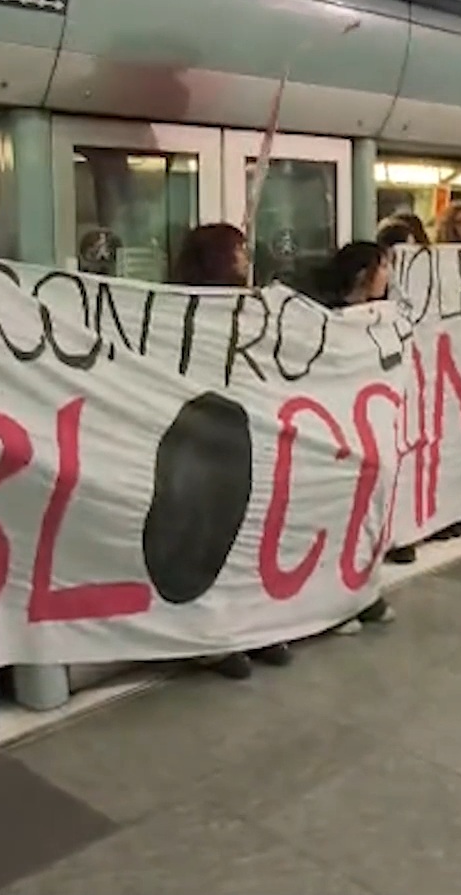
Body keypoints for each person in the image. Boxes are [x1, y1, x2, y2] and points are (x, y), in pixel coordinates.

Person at [168, 224, 294, 678]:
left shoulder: (253, 305)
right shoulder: (178, 307)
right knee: (208, 533)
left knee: (249, 529)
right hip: (202, 433)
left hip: (247, 430)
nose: (245, 256)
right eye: (237, 249)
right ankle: (208, 638)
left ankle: (252, 625)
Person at [316, 241, 400, 635]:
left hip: (370, 431)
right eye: (383, 267)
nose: (388, 276)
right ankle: (332, 601)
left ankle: (363, 592)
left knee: (368, 518)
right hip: (337, 434)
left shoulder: (384, 317)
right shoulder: (327, 318)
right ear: (363, 273)